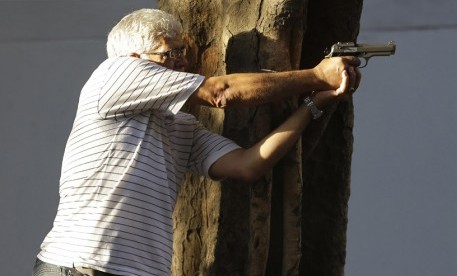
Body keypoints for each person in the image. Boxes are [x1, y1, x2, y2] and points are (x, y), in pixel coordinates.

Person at [32, 8, 361, 276]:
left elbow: (249, 165)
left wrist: (314, 104)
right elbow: (221, 92)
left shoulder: (180, 127)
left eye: (184, 52)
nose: (183, 62)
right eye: (170, 52)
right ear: (133, 56)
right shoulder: (113, 73)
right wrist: (317, 75)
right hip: (80, 265)